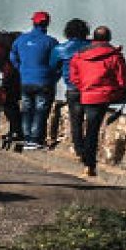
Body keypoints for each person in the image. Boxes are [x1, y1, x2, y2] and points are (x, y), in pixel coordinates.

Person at [67, 26, 126, 176]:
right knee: (92, 130)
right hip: (102, 96)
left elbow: (74, 76)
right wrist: (117, 90)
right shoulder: (115, 56)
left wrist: (84, 86)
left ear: (94, 38)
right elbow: (123, 80)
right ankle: (89, 164)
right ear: (109, 38)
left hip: (86, 93)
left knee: (82, 125)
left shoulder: (80, 55)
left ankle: (83, 155)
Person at [11, 11, 60, 150]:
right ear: (47, 23)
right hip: (44, 81)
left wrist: (20, 68)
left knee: (26, 109)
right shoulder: (51, 42)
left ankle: (27, 138)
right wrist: (54, 76)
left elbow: (12, 55)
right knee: (40, 110)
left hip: (26, 80)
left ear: (33, 22)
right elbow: (57, 62)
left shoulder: (21, 39)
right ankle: (35, 139)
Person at [48, 18, 91, 153]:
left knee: (76, 120)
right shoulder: (94, 46)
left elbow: (53, 66)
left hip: (73, 89)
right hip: (92, 88)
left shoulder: (60, 49)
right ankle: (90, 148)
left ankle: (79, 149)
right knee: (93, 120)